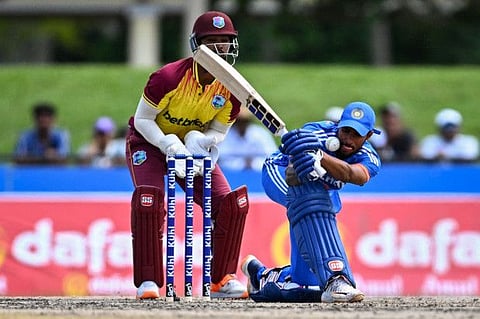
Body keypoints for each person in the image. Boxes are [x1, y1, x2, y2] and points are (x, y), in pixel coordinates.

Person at [125, 11, 249, 299]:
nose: (219, 48)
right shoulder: (168, 77)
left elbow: (220, 130)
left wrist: (202, 141)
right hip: (149, 143)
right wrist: (168, 144)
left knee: (231, 205)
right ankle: (149, 282)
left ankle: (221, 280)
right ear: (196, 44)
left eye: (224, 41)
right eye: (211, 41)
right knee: (150, 202)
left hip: (191, 150)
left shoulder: (233, 89)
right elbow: (143, 120)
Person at [241, 101, 382, 303]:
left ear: (368, 136)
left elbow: (355, 175)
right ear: (338, 125)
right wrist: (306, 162)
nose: (348, 139)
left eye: (356, 134)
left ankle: (260, 275)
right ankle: (336, 277)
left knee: (304, 281)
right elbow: (291, 176)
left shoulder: (368, 157)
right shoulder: (316, 133)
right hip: (277, 172)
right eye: (345, 131)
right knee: (308, 197)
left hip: (317, 191)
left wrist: (320, 158)